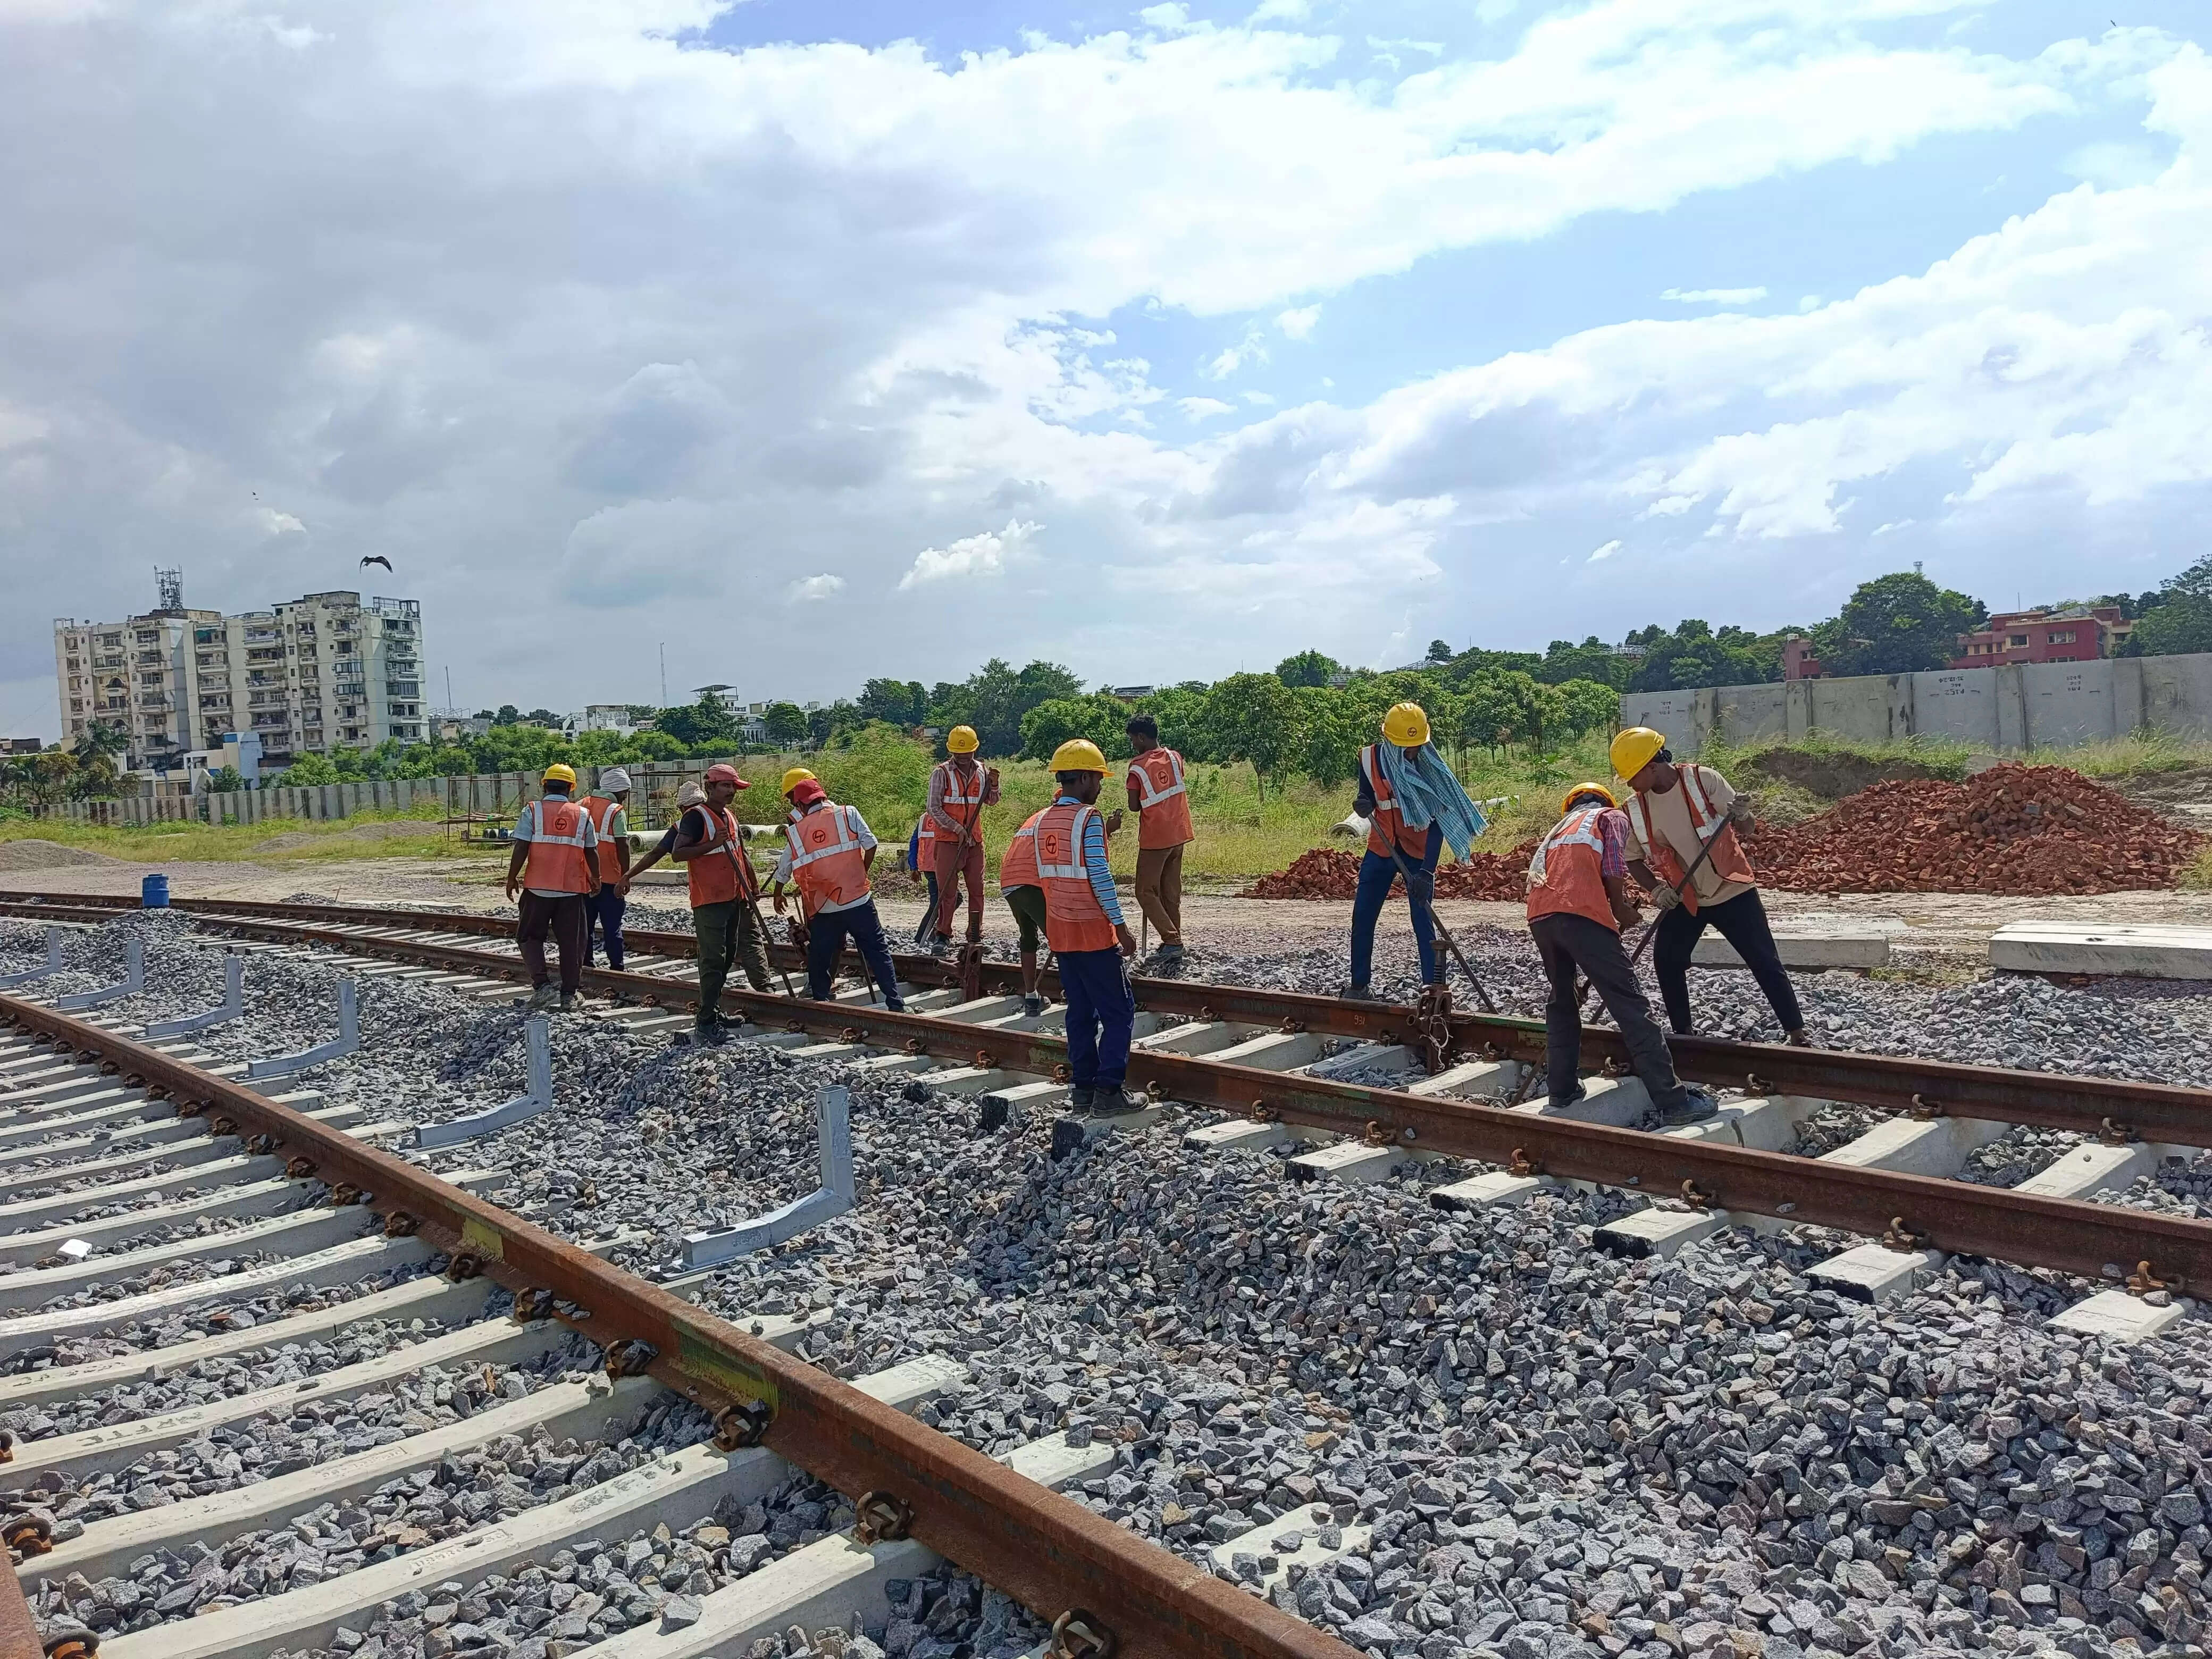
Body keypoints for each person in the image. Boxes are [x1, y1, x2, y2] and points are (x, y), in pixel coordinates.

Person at [1526, 782, 1717, 1127]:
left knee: (1563, 1001)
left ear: (1572, 805)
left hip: (1541, 918)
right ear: (1603, 801)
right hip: (1580, 915)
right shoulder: (1609, 817)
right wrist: (1620, 907)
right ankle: (1673, 1101)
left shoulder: (1558, 831)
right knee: (1629, 1003)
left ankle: (1563, 1091)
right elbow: (1613, 865)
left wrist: (1609, 911)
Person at [1611, 727, 1812, 1048]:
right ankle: (1683, 1035)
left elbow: (1747, 828)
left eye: (1633, 776)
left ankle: (1796, 1032)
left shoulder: (1702, 781)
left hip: (1731, 890)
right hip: (1685, 898)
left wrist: (1743, 814)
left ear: (1652, 765)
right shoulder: (1635, 809)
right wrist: (1656, 890)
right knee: (1667, 961)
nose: (1631, 784)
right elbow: (1633, 860)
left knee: (1763, 959)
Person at [1343, 702, 1489, 1001]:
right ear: (1390, 740)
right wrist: (1363, 803)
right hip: (1381, 848)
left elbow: (1439, 821)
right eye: (1405, 747)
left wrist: (1427, 871)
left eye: (1416, 746)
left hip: (1418, 853)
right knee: (1363, 917)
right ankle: (1359, 986)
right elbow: (1366, 794)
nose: (1412, 752)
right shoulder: (1370, 758)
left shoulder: (1429, 766)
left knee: (1423, 919)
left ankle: (1432, 988)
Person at [1036, 739, 1138, 1112]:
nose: (1099, 786)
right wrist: (1121, 926)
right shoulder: (1089, 819)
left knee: (1079, 1012)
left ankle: (1083, 1090)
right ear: (1081, 778)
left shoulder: (1043, 820)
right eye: (1096, 779)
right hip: (1093, 934)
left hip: (1061, 934)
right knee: (1118, 1012)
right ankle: (1110, 1091)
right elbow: (1099, 875)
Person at [770, 772, 905, 1009]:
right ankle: (895, 1001)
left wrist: (778, 891)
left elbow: (785, 865)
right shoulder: (848, 813)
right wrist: (862, 871)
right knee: (877, 950)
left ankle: (821, 1000)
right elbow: (871, 844)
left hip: (824, 905)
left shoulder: (797, 831)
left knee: (820, 955)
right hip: (858, 899)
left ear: (800, 804)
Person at [667, 763, 772, 1046]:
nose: (731, 792)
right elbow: (678, 854)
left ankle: (713, 1010)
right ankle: (705, 1022)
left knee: (727, 957)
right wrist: (712, 843)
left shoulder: (730, 816)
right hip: (710, 900)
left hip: (734, 897)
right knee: (713, 959)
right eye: (726, 786)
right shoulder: (695, 817)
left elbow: (741, 853)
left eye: (734, 787)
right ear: (710, 787)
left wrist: (751, 885)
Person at [502, 763, 602, 1013]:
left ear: (544, 785)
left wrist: (512, 877)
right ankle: (569, 995)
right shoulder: (583, 815)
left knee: (528, 936)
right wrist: (596, 878)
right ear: (571, 788)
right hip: (571, 889)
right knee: (572, 943)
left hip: (537, 888)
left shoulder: (532, 811)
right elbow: (591, 851)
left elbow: (522, 847)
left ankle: (542, 987)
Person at [1124, 714, 1193, 962]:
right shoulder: (1175, 758)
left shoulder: (1138, 767)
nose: (1133, 744)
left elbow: (1134, 806)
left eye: (1133, 739)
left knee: (1145, 891)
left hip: (1156, 838)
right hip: (1179, 833)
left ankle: (1172, 941)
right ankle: (1174, 941)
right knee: (1170, 892)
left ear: (1141, 737)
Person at [926, 725, 999, 952]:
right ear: (952, 752)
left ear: (974, 751)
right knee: (947, 891)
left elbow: (992, 801)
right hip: (948, 842)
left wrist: (994, 785)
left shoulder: (982, 771)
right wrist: (957, 828)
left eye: (968, 753)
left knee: (977, 889)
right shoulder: (942, 773)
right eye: (960, 754)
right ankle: (943, 934)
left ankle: (975, 935)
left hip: (974, 842)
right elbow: (934, 808)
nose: (964, 758)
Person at [998, 802, 1051, 1018]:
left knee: (1028, 938)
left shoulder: (1036, 817)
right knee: (1063, 940)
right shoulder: (1059, 819)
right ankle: (1079, 996)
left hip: (1009, 881)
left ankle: (1031, 997)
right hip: (1031, 881)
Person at [578, 766, 633, 970]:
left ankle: (586, 965)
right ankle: (617, 968)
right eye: (625, 793)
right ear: (618, 790)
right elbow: (622, 844)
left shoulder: (580, 805)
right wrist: (626, 875)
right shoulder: (616, 810)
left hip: (584, 880)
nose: (625, 797)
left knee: (585, 927)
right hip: (611, 881)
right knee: (612, 927)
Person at [906, 813, 941, 946]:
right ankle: (924, 936)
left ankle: (934, 932)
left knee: (943, 901)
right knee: (938, 903)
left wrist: (914, 867)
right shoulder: (947, 814)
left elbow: (914, 842)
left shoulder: (924, 818)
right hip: (940, 865)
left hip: (927, 865)